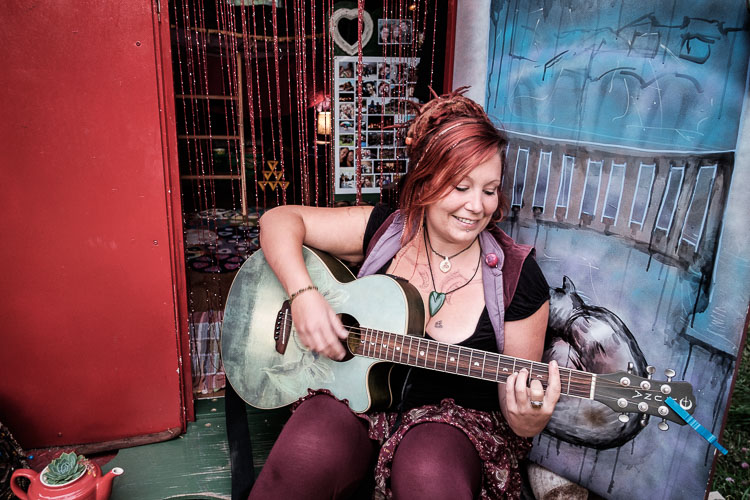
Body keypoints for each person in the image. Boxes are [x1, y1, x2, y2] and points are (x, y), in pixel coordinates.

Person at [251, 89, 561, 499]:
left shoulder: (518, 277)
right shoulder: (386, 229)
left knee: (428, 469)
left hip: (456, 425)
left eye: (489, 190)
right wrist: (304, 295)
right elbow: (278, 220)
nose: (476, 206)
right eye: (461, 186)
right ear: (425, 180)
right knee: (307, 450)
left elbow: (518, 408)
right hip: (356, 397)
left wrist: (529, 417)